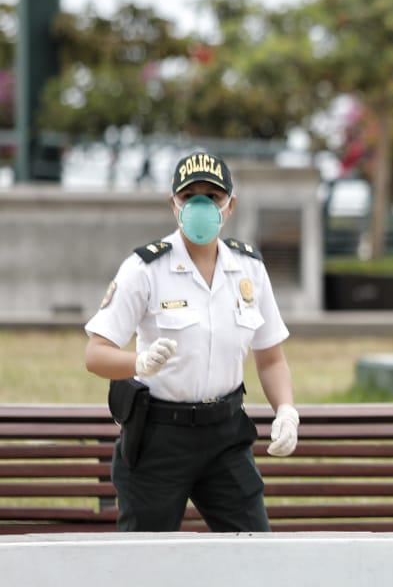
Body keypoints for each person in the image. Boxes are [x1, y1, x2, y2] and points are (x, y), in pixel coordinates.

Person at [84, 151, 299, 532]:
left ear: (229, 206)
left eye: (212, 197)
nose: (201, 206)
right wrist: (139, 362)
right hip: (159, 438)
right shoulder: (145, 269)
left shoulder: (248, 268)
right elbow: (96, 354)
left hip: (226, 435)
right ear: (174, 205)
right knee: (147, 564)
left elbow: (270, 358)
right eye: (190, 196)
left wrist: (286, 410)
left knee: (255, 554)